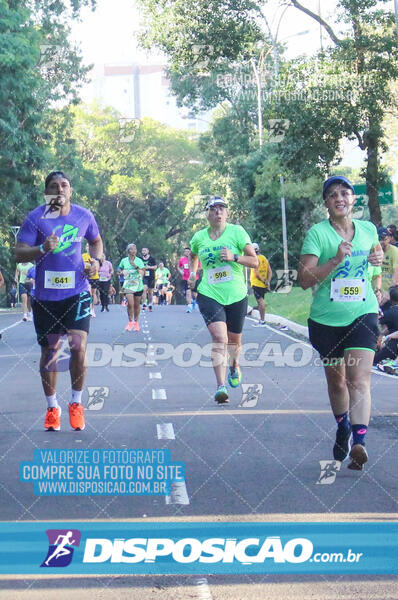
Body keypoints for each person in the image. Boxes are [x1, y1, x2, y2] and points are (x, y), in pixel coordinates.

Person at [298, 175, 383, 471]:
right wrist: (334, 260)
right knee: (337, 382)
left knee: (358, 379)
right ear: (326, 203)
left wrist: (377, 268)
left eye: (345, 193)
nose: (340, 198)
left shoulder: (369, 229)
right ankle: (343, 426)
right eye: (333, 194)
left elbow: (374, 267)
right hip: (326, 320)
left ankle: (359, 441)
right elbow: (304, 280)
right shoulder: (317, 235)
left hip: (363, 313)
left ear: (353, 199)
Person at [15, 170, 103, 432]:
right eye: (54, 186)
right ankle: (53, 407)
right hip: (45, 296)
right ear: (48, 193)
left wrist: (95, 262)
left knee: (78, 346)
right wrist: (42, 248)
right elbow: (19, 254)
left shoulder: (84, 215)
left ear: (71, 191)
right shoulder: (35, 218)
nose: (60, 189)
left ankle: (76, 403)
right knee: (51, 352)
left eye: (65, 185)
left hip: (77, 292)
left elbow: (96, 241)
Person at [189, 196, 258, 404]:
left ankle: (234, 365)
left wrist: (234, 257)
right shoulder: (199, 237)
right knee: (220, 338)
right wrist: (193, 273)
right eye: (213, 209)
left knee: (234, 341)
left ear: (227, 213)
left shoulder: (237, 232)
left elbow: (254, 261)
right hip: (209, 293)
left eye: (222, 209)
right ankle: (221, 387)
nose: (218, 212)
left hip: (236, 294)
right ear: (207, 214)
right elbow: (193, 255)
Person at [118, 243, 145, 331]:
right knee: (130, 304)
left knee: (137, 305)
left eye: (135, 249)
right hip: (128, 285)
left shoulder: (139, 261)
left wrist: (135, 266)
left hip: (138, 285)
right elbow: (118, 270)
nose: (134, 251)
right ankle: (130, 322)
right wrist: (121, 272)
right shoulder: (124, 260)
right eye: (132, 249)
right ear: (128, 251)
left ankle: (136, 322)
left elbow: (142, 273)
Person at [248, 242, 272, 326]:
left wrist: (263, 281)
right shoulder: (264, 258)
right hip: (263, 284)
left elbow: (256, 273)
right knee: (260, 301)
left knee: (260, 301)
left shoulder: (254, 259)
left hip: (257, 284)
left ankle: (262, 321)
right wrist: (267, 281)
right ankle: (261, 320)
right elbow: (270, 271)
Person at [374, 285, 398, 367]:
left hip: (393, 345)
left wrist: (378, 303)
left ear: (390, 298)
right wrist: (382, 335)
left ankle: (392, 364)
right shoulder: (391, 311)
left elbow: (373, 321)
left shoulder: (389, 313)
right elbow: (391, 328)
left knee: (373, 360)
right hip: (393, 343)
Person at [378, 227, 398, 309]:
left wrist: (388, 292)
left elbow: (396, 273)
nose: (381, 242)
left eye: (383, 239)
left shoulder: (395, 251)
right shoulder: (374, 251)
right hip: (377, 292)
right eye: (379, 239)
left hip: (389, 294)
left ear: (389, 238)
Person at [82, 243, 100, 317]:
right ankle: (88, 309)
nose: (88, 247)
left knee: (93, 294)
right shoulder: (83, 256)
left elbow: (98, 267)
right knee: (88, 293)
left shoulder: (95, 256)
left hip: (95, 277)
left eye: (89, 246)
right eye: (86, 246)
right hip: (87, 277)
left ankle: (92, 309)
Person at [140, 247, 157, 312]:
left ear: (148, 251)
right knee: (144, 289)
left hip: (151, 276)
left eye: (145, 250)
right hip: (144, 276)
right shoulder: (140, 259)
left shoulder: (152, 259)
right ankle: (144, 303)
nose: (143, 252)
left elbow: (155, 267)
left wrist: (149, 267)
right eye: (142, 251)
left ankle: (150, 304)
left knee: (150, 292)